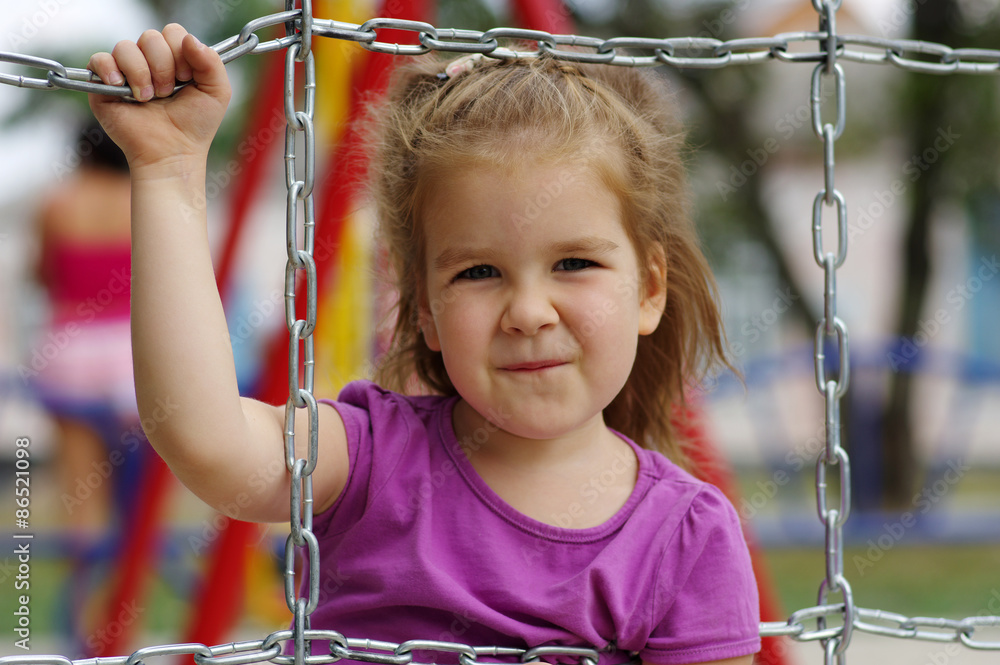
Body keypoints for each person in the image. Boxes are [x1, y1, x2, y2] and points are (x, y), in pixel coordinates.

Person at [87, 25, 760, 665]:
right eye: (478, 272)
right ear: (426, 311)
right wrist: (168, 170)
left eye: (574, 263)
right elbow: (206, 438)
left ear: (648, 287)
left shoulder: (687, 538)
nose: (528, 312)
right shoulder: (373, 459)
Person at [31, 119, 137, 533]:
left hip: (71, 347)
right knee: (143, 499)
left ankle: (85, 596)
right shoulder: (141, 198)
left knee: (81, 496)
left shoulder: (58, 203)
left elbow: (44, 275)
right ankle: (132, 592)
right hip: (133, 352)